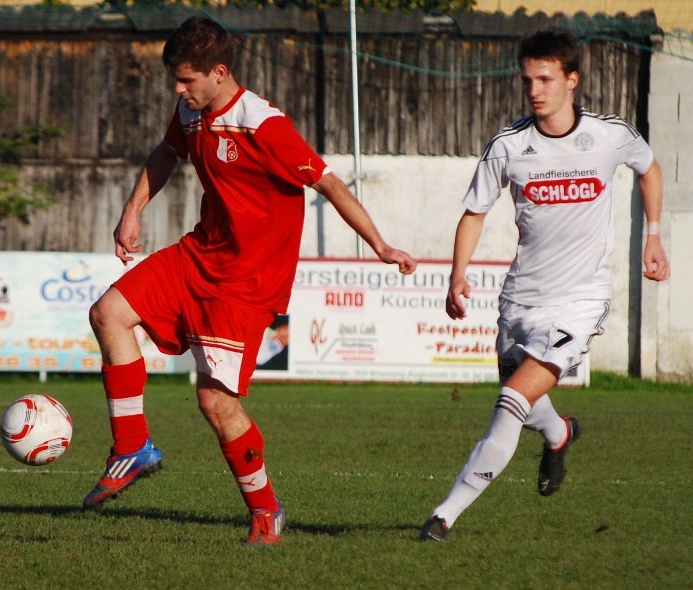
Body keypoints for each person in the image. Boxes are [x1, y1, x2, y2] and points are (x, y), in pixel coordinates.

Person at [84, 16, 417, 545]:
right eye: (175, 79)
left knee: (215, 403)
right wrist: (132, 211)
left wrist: (380, 245)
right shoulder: (190, 112)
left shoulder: (262, 124)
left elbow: (329, 183)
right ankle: (132, 446)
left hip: (247, 279)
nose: (178, 90)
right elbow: (167, 152)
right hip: (200, 253)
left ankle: (265, 510)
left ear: (219, 72)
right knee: (108, 313)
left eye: (187, 79)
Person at [419, 30, 670, 542]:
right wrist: (457, 274)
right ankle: (559, 434)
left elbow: (649, 170)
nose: (534, 90)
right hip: (520, 300)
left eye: (545, 79)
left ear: (571, 80)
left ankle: (444, 516)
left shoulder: (609, 135)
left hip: (579, 302)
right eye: (528, 79)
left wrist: (654, 235)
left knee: (512, 400)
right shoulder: (509, 145)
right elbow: (474, 213)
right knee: (526, 403)